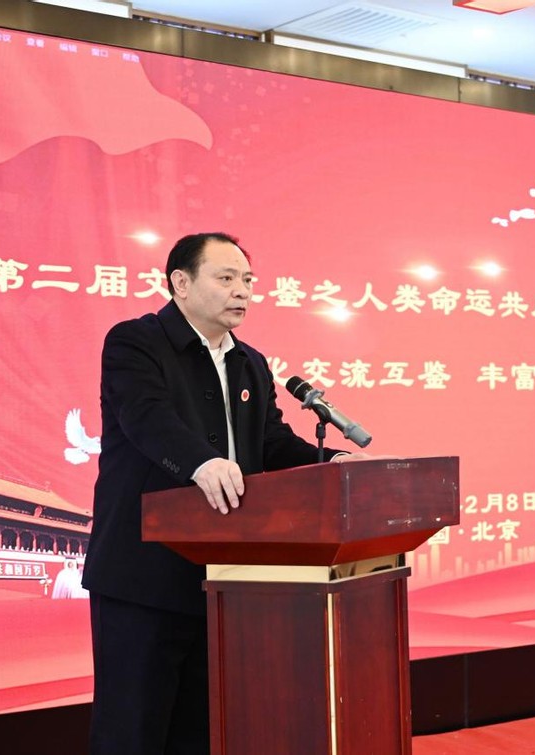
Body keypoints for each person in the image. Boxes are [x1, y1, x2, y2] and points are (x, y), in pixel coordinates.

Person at [83, 232, 367, 754]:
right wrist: (201, 462)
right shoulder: (135, 343)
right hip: (144, 572)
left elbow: (271, 442)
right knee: (132, 729)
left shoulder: (250, 362)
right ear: (181, 283)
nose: (242, 291)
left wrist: (335, 464)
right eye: (226, 278)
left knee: (202, 729)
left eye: (248, 280)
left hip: (226, 576)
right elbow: (146, 417)